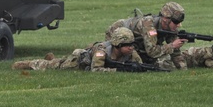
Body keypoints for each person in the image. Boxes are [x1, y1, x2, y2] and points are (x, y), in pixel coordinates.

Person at [12, 26, 143, 72]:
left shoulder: (131, 51)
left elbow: (140, 65)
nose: (131, 48)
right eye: (127, 45)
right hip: (78, 62)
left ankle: (53, 59)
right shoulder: (101, 51)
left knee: (58, 62)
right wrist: (118, 70)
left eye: (132, 45)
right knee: (52, 66)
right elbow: (96, 70)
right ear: (117, 45)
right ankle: (27, 64)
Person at [105, 2, 188, 70]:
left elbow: (176, 53)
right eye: (176, 22)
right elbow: (152, 51)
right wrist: (172, 45)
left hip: (137, 44)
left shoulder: (171, 28)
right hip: (117, 35)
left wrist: (183, 69)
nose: (179, 25)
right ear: (165, 19)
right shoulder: (148, 25)